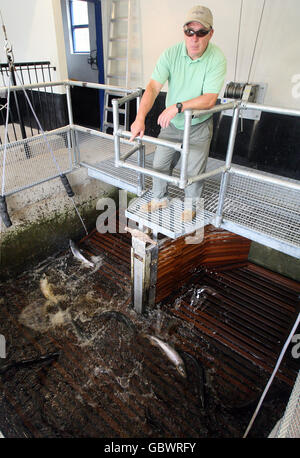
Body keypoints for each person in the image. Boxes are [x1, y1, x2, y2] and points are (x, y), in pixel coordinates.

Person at [130, 5, 227, 222]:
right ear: (183, 32)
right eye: (189, 32)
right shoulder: (171, 54)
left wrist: (177, 106)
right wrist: (139, 118)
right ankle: (159, 198)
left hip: (199, 124)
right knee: (160, 163)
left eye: (201, 32)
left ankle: (191, 206)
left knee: (193, 171)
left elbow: (210, 99)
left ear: (210, 34)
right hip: (173, 125)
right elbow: (153, 87)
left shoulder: (217, 58)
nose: (194, 38)